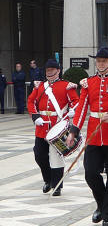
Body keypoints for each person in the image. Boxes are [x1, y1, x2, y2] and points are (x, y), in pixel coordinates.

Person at [66, 47, 108, 226]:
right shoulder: (88, 83)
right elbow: (81, 109)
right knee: (90, 173)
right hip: (94, 136)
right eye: (98, 61)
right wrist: (73, 131)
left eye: (104, 61)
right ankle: (102, 204)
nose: (101, 64)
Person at [27, 59, 79, 196]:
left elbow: (77, 102)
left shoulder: (66, 86)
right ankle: (48, 180)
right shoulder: (40, 86)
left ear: (58, 71)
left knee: (56, 157)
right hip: (42, 125)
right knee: (39, 155)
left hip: (58, 124)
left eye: (52, 70)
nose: (49, 73)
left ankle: (57, 186)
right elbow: (31, 101)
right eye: (47, 70)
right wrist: (35, 116)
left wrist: (71, 112)